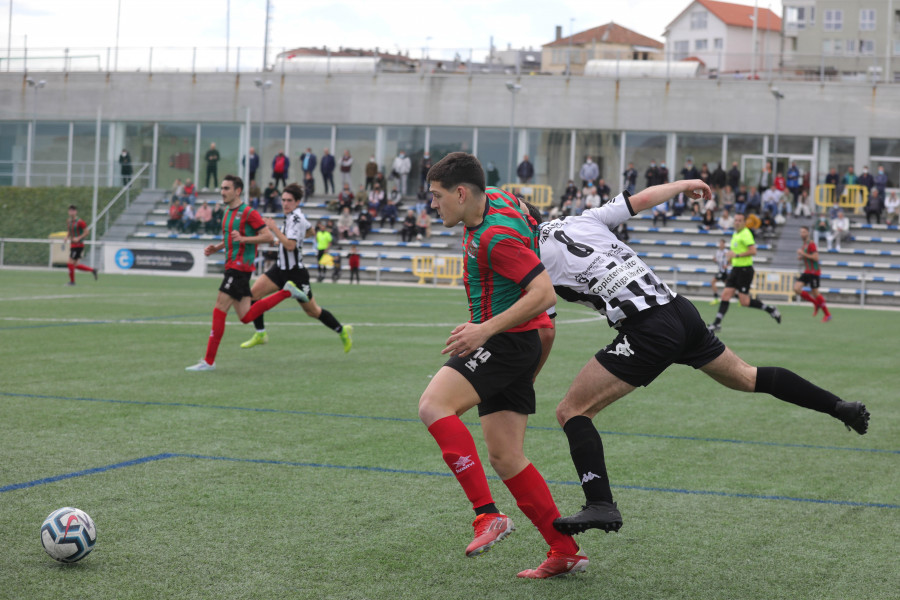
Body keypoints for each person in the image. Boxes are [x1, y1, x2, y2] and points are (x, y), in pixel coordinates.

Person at [523, 179, 869, 539]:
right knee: (748, 377)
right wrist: (684, 184)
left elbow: (544, 325)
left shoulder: (531, 258)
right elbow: (640, 200)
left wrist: (526, 374)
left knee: (571, 411)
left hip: (647, 328)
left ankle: (600, 503)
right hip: (679, 311)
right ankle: (839, 407)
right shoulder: (582, 218)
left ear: (522, 225)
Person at [418, 152, 588, 579]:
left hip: (504, 342)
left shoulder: (495, 238)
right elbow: (532, 217)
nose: (432, 205)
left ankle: (486, 516)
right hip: (521, 342)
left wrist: (483, 330)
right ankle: (564, 549)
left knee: (434, 406)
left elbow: (543, 292)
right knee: (507, 456)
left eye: (437, 197)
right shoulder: (496, 198)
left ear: (461, 193)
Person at [238, 183, 353, 354]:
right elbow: (311, 231)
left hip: (296, 274)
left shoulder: (296, 219)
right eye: (283, 200)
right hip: (279, 269)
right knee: (253, 295)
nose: (285, 203)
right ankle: (260, 334)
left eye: (289, 200)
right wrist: (283, 238)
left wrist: (275, 230)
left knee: (313, 311)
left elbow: (291, 246)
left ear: (297, 201)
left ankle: (341, 331)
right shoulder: (294, 217)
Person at [186, 175, 271, 371]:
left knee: (219, 307)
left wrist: (243, 239)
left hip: (240, 267)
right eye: (222, 188)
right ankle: (287, 293)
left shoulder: (249, 212)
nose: (222, 192)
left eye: (226, 188)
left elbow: (267, 236)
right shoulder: (227, 212)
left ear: (238, 191)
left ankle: (208, 361)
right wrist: (217, 248)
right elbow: (230, 239)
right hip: (232, 265)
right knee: (245, 316)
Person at [707, 212, 782, 333]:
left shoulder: (746, 233)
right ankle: (717, 323)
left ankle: (770, 309)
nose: (737, 222)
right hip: (736, 269)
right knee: (725, 295)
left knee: (744, 302)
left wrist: (736, 255)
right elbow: (734, 251)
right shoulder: (735, 234)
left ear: (744, 222)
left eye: (739, 220)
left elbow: (753, 251)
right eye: (735, 220)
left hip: (745, 270)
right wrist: (730, 261)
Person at [794, 226, 832, 322]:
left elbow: (816, 258)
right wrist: (801, 257)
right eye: (801, 232)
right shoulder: (804, 245)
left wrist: (803, 254)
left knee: (816, 293)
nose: (802, 234)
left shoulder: (811, 244)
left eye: (804, 232)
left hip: (814, 272)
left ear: (808, 233)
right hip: (807, 271)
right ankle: (815, 303)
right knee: (796, 288)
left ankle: (827, 314)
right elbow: (807, 256)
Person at [64, 204, 98, 285]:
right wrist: (67, 237)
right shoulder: (69, 221)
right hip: (73, 245)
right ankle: (93, 270)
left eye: (73, 210)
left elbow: (86, 232)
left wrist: (79, 238)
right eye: (70, 210)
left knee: (70, 263)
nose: (71, 212)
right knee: (75, 265)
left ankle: (72, 282)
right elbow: (70, 231)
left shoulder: (80, 222)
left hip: (78, 245)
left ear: (76, 212)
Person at [710, 238, 730, 304]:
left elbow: (731, 260)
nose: (720, 245)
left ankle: (717, 298)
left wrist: (727, 265)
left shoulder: (726, 251)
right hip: (720, 271)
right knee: (728, 286)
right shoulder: (718, 252)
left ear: (724, 244)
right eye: (720, 243)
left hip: (724, 271)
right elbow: (718, 261)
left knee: (729, 286)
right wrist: (714, 260)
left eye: (722, 243)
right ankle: (716, 298)